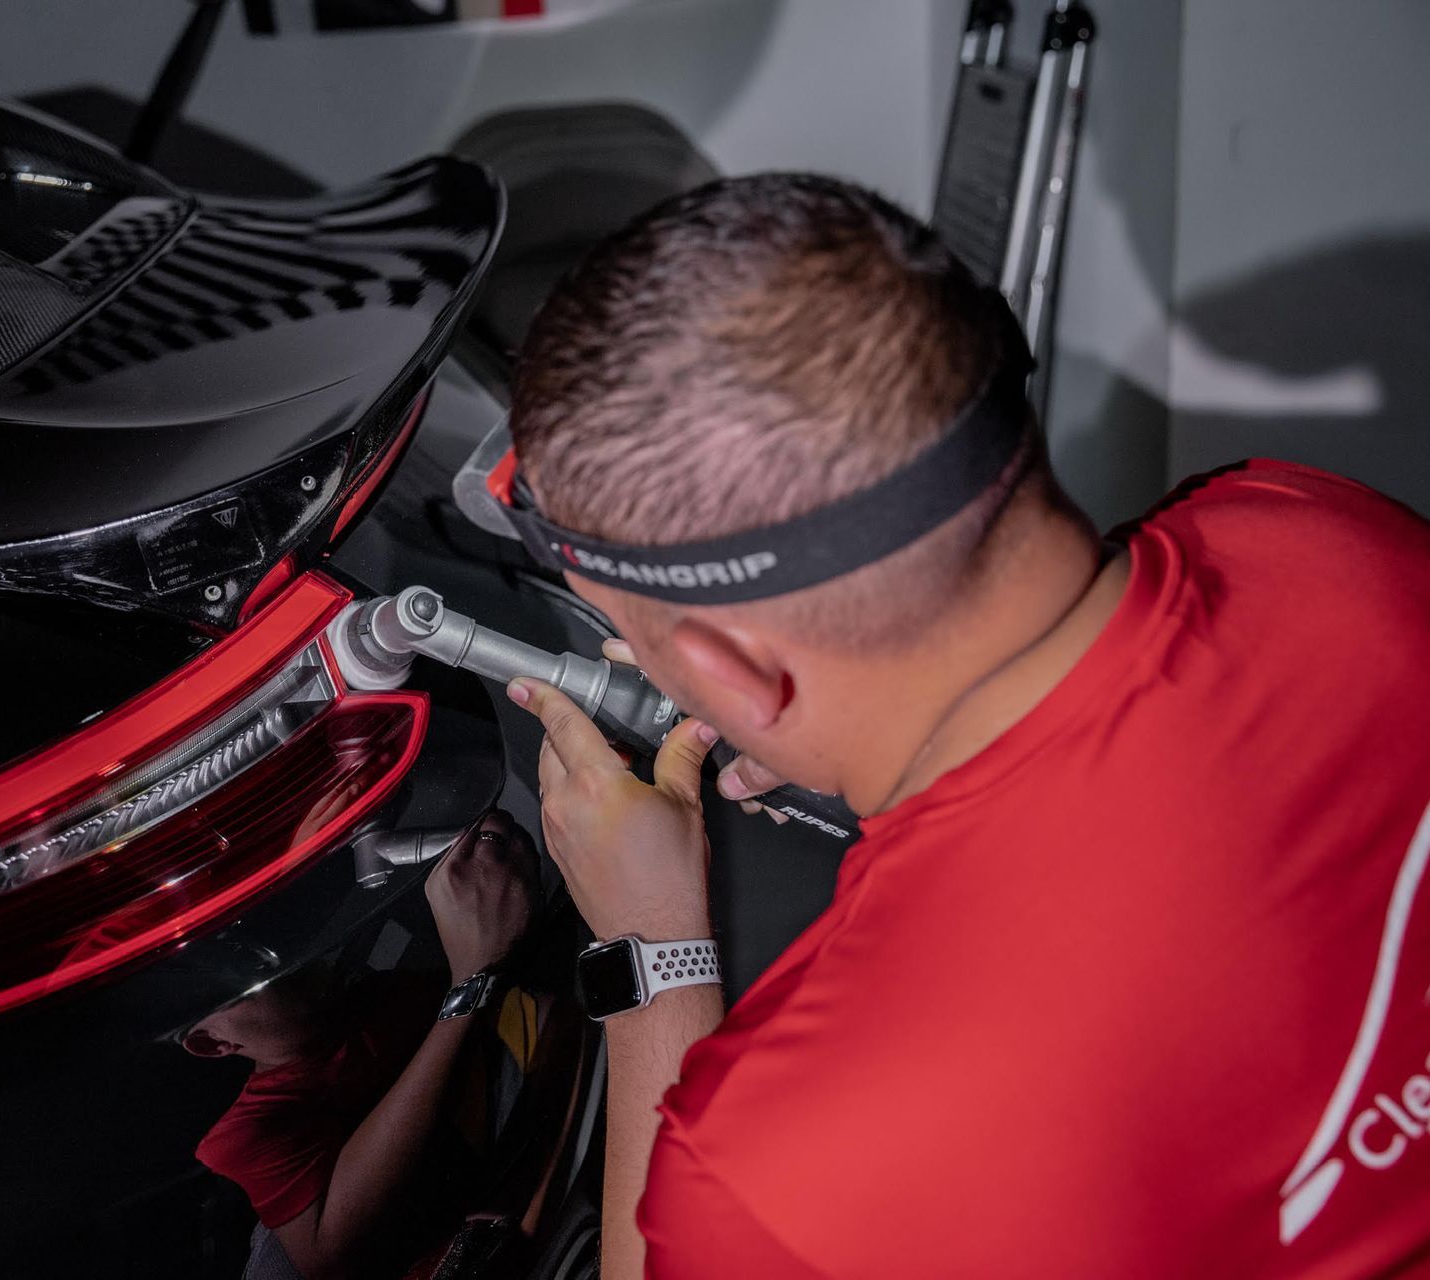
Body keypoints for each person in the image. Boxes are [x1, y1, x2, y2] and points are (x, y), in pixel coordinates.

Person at [501, 173, 1430, 1278]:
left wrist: (652, 949)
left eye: (639, 638)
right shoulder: (1317, 532)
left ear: (727, 672)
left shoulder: (784, 1164)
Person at [186, 810, 536, 1280]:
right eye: (243, 980)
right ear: (214, 1044)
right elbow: (328, 1253)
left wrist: (483, 842)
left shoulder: (375, 995)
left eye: (258, 947)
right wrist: (469, 986)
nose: (276, 967)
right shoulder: (252, 1129)